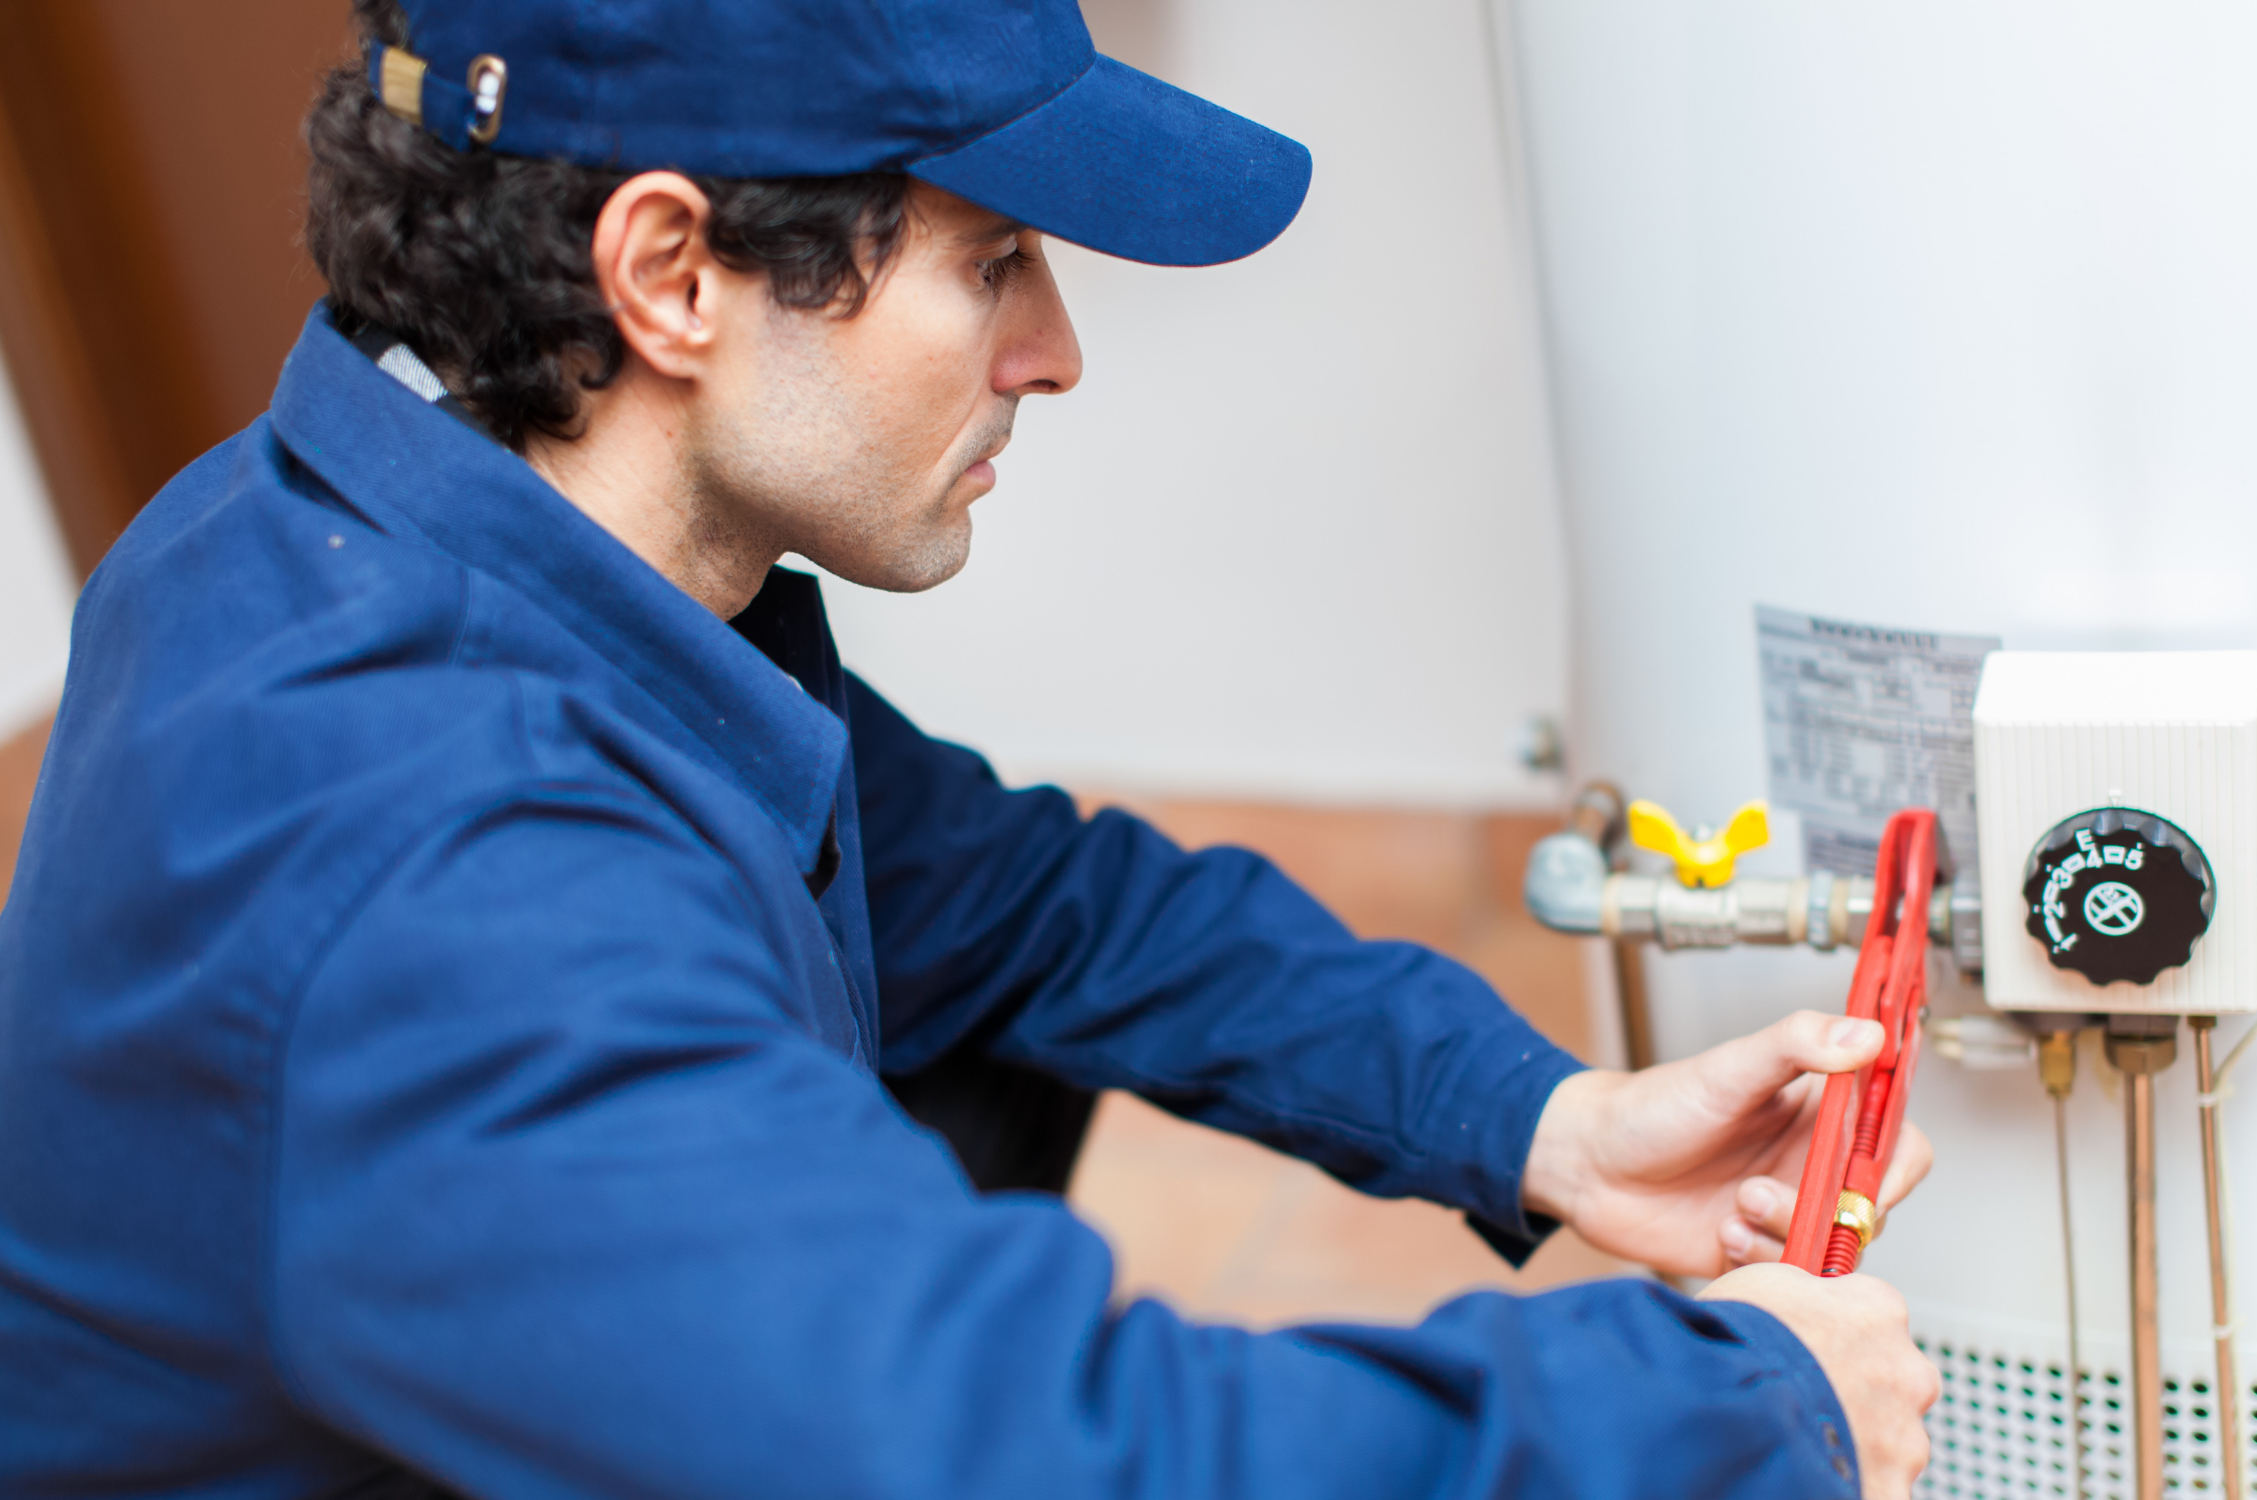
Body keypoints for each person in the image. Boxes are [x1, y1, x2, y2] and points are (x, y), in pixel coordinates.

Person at [0, 0, 1940, 1494]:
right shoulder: (440, 893)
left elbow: (1032, 909)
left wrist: (1539, 1123)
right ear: (670, 276)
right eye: (990, 255)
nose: (1053, 348)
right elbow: (1040, 1458)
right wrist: (1734, 1414)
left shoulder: (395, 517)